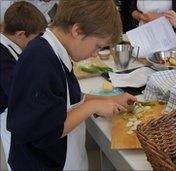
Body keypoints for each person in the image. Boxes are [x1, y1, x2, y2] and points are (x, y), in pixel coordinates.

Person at [7, 0, 136, 170]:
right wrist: (93, 106)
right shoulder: (40, 60)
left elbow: (69, 97)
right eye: (97, 46)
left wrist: (113, 98)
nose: (95, 53)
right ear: (78, 30)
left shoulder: (56, 52)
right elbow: (45, 131)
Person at [0, 1, 47, 170]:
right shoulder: (2, 54)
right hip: (8, 116)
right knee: (18, 160)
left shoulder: (12, 45)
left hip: (15, 114)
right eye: (35, 39)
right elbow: (17, 90)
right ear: (20, 34)